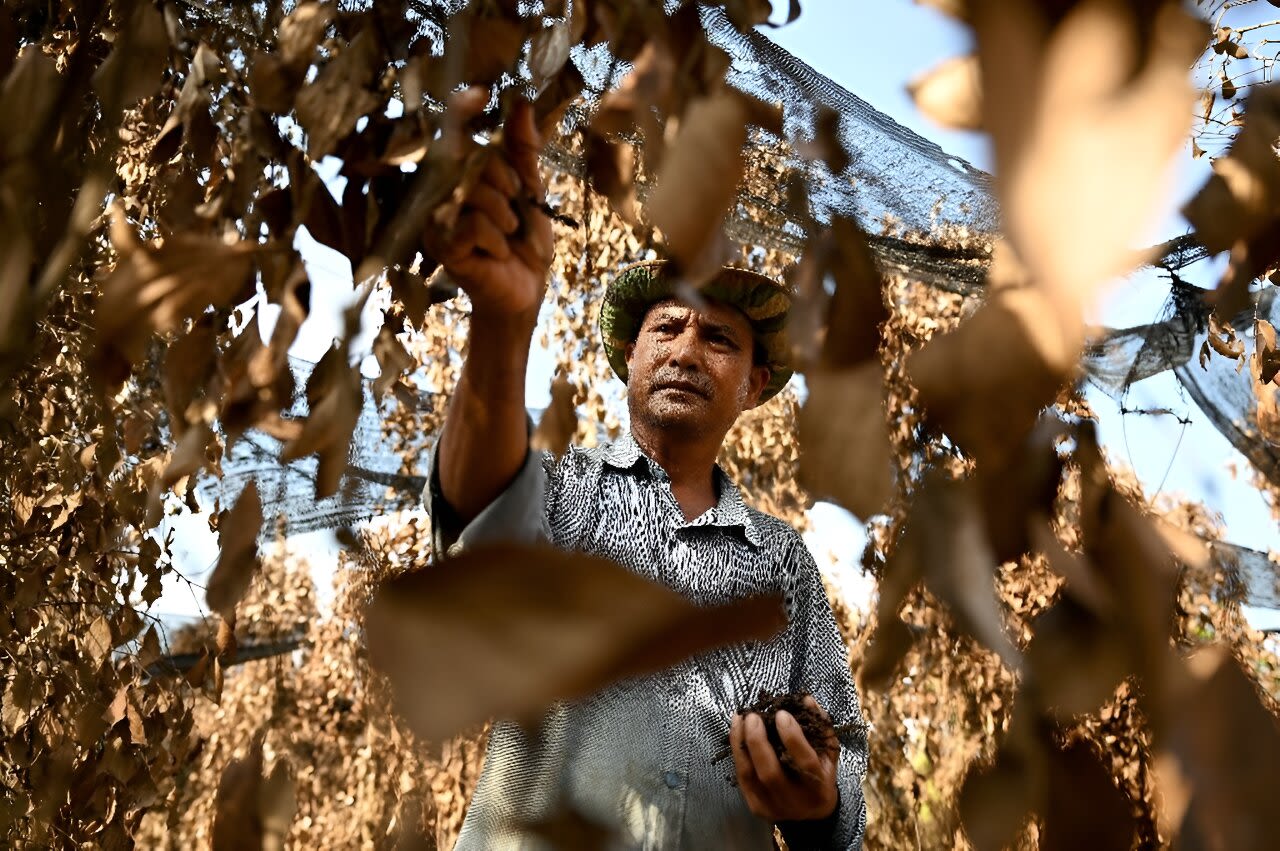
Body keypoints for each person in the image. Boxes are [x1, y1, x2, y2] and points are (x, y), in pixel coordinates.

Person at [426, 93, 867, 850]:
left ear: (754, 384)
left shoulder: (784, 564)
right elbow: (476, 517)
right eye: (667, 326)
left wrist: (820, 799)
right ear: (631, 357)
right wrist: (502, 326)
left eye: (719, 338)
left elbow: (845, 757)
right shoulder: (564, 497)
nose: (687, 350)